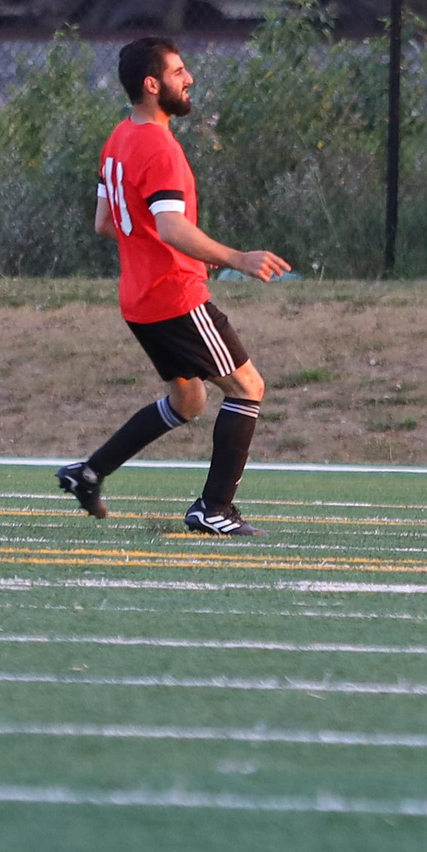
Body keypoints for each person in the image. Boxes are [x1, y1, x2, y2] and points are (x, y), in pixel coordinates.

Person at [56, 38, 290, 534]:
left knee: (189, 402)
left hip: (138, 299)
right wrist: (237, 258)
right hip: (174, 294)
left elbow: (104, 221)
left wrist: (141, 235)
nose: (189, 79)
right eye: (179, 71)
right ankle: (214, 509)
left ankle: (90, 472)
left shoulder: (119, 137)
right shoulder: (159, 147)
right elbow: (171, 228)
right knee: (248, 388)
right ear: (152, 84)